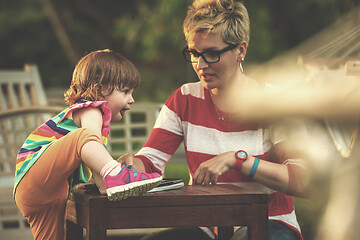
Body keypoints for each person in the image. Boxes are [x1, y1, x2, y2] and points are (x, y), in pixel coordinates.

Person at [125, 0, 307, 239]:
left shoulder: (276, 102)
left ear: (240, 50)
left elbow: (305, 180)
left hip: (269, 221)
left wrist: (238, 160)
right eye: (194, 53)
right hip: (206, 225)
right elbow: (149, 164)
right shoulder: (184, 99)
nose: (200, 65)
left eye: (212, 54)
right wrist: (127, 166)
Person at [13, 49, 162, 240]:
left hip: (45, 193)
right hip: (35, 175)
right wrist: (114, 171)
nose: (131, 99)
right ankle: (117, 174)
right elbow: (87, 140)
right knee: (83, 137)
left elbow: (101, 182)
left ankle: (116, 173)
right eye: (125, 91)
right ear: (100, 88)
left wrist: (111, 175)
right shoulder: (91, 110)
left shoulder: (94, 130)